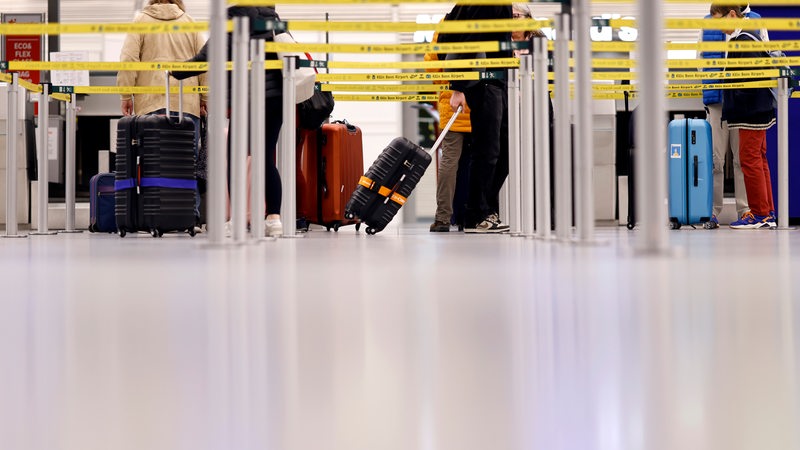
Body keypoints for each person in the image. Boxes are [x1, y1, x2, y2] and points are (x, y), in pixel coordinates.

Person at [172, 6, 285, 237]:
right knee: (266, 157)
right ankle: (274, 219)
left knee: (236, 157)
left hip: (247, 96)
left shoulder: (233, 14)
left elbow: (209, 55)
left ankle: (236, 221)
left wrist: (175, 71)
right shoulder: (272, 18)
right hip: (276, 97)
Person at [118, 0, 207, 224]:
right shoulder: (190, 23)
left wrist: (126, 95)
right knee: (188, 163)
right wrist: (205, 97)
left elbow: (128, 59)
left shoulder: (141, 21)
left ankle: (155, 215)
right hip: (187, 103)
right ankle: (190, 217)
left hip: (151, 103)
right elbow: (205, 63)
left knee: (153, 161)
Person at [438, 4, 512, 233]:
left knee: (501, 151)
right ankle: (477, 215)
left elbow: (447, 38)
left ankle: (481, 211)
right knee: (487, 151)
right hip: (485, 80)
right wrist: (458, 87)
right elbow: (469, 39)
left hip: (496, 79)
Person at [710, 3, 776, 229]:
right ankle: (767, 212)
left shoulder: (744, 39)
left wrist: (733, 100)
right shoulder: (751, 33)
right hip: (759, 109)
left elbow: (748, 81)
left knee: (749, 160)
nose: (719, 29)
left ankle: (759, 214)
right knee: (759, 159)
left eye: (720, 22)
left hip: (750, 111)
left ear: (731, 14)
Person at [424, 30, 473, 233]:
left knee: (449, 162)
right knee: (478, 163)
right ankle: (471, 217)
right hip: (481, 104)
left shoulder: (444, 27)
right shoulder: (484, 23)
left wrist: (446, 86)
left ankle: (443, 217)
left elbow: (430, 63)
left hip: (451, 106)